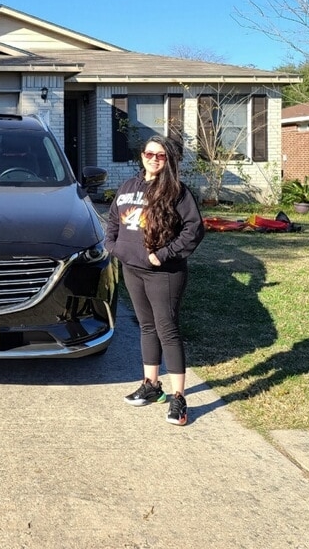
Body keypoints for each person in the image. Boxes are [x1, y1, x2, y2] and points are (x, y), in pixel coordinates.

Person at [105, 134, 205, 426]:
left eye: (160, 155)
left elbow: (194, 229)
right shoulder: (128, 187)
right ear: (142, 156)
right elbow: (113, 219)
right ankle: (151, 385)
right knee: (146, 327)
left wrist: (165, 254)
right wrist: (114, 247)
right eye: (149, 154)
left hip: (164, 273)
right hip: (132, 269)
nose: (153, 159)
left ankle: (179, 398)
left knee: (167, 330)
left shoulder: (177, 192)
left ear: (168, 159)